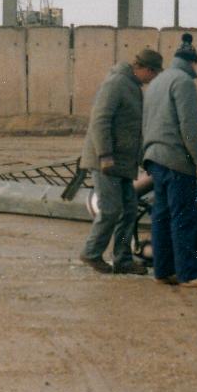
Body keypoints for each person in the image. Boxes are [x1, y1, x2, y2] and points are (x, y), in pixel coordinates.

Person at [79, 47, 163, 274]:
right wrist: (105, 155)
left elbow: (132, 129)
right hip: (106, 161)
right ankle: (91, 254)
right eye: (154, 74)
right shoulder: (116, 83)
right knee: (111, 210)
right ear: (145, 69)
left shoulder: (134, 87)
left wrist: (143, 160)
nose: (153, 79)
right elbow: (100, 120)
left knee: (129, 210)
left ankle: (123, 260)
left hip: (123, 163)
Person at [142, 34, 197, 288]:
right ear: (193, 63)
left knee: (161, 217)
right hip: (176, 160)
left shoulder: (157, 82)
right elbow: (190, 127)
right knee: (184, 217)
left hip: (155, 158)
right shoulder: (184, 82)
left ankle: (163, 271)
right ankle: (189, 274)